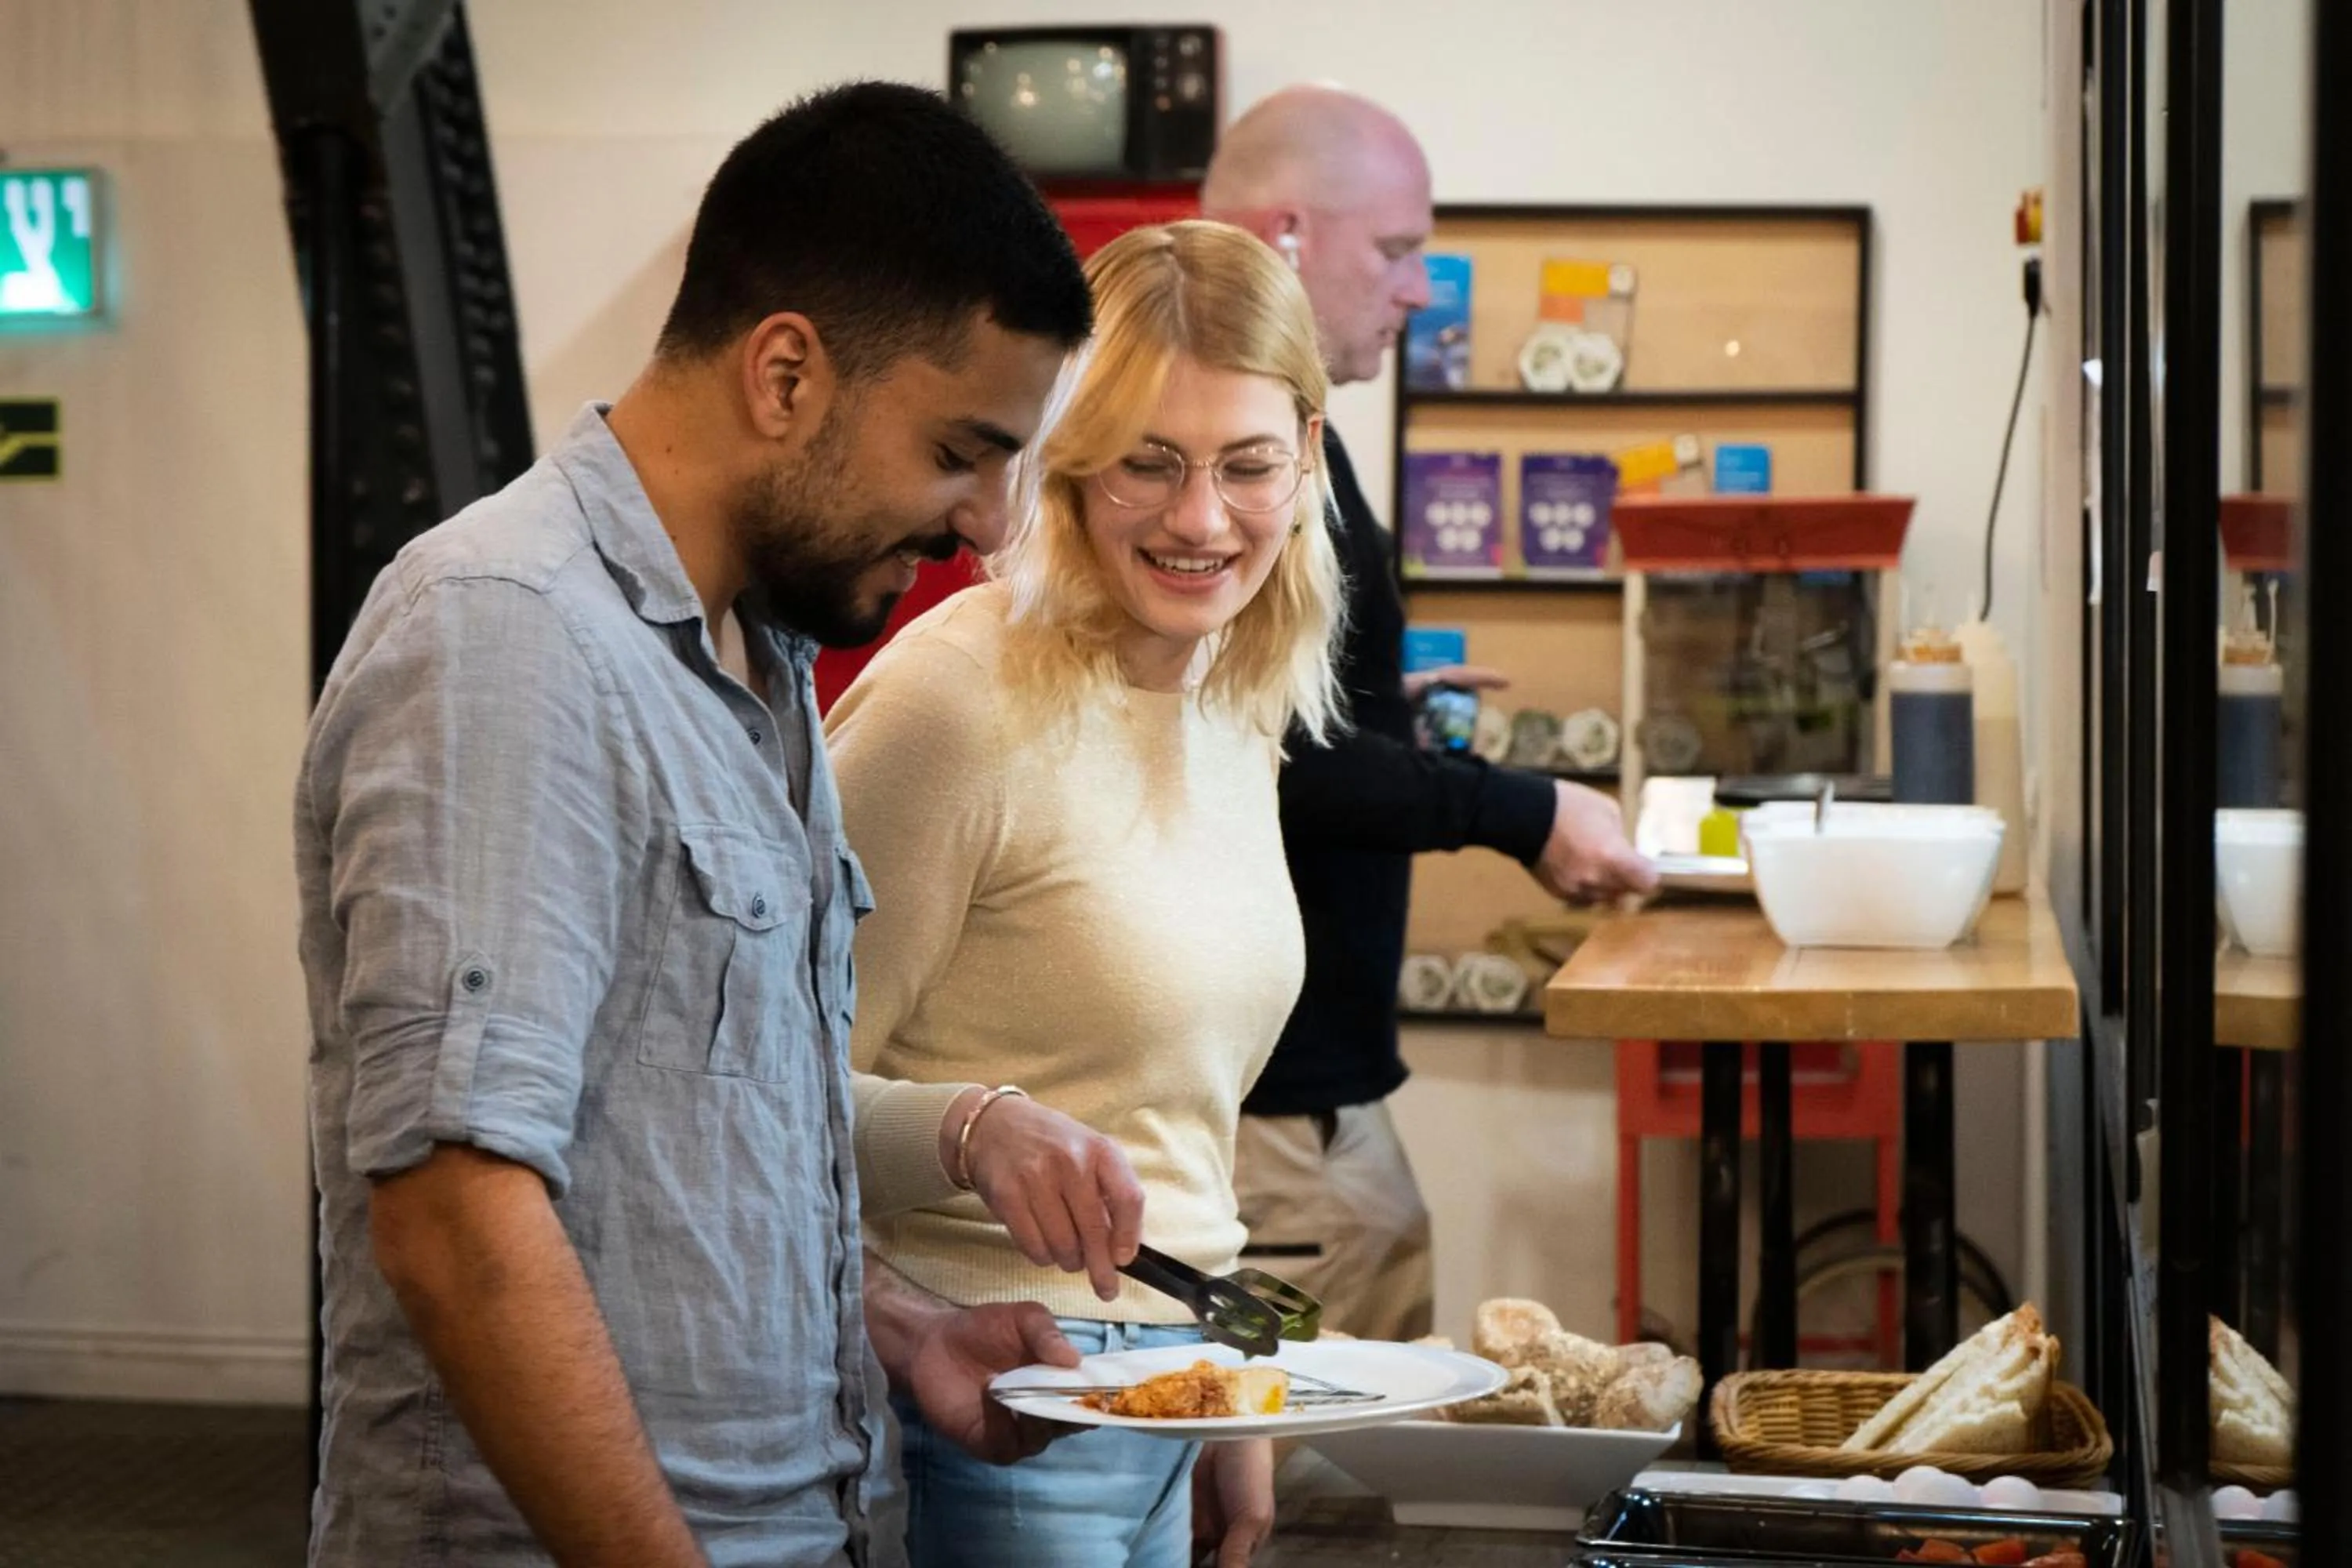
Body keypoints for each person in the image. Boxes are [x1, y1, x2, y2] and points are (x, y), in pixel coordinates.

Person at [296, 82, 1149, 1568]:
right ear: (784, 375)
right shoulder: (509, 639)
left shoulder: (759, 663)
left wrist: (901, 1330)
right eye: (960, 450)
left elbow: (680, 1163)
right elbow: (457, 1224)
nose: (992, 522)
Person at [824, 220, 1346, 1568]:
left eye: (1247, 466)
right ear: (1065, 461)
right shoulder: (954, 701)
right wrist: (973, 1126)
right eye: (1148, 465)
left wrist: (1230, 1392)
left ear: (1306, 462)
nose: (1199, 518)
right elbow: (754, 1094)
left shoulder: (1236, 700)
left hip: (1172, 1381)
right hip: (995, 1383)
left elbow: (1178, 1118)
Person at [1197, 85, 1660, 1344]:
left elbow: (1246, 713)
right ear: (1289, 235)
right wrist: (1525, 810)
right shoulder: (1225, 441)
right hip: (1270, 1103)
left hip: (1313, 1087)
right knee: (1302, 1506)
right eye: (1398, 253)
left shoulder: (1298, 430)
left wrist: (1369, 699)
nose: (1420, 291)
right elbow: (1269, 759)